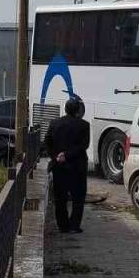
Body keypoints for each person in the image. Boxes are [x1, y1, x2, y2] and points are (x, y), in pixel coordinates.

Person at [45, 97, 90, 234]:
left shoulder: (54, 123)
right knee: (78, 198)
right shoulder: (84, 125)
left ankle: (63, 226)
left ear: (65, 109)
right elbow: (83, 146)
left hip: (59, 168)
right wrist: (68, 155)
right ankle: (74, 226)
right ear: (78, 110)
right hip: (77, 168)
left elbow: (47, 142)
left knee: (60, 198)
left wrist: (56, 156)